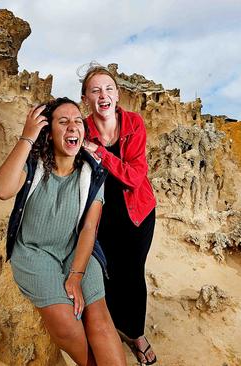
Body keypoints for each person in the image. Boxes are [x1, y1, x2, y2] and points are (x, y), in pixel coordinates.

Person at [0, 97, 126, 366]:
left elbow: (89, 228)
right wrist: (27, 137)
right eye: (62, 122)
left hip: (75, 249)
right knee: (68, 325)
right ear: (49, 131)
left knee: (99, 321)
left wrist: (76, 275)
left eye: (77, 121)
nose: (72, 127)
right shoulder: (33, 165)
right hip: (34, 251)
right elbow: (2, 190)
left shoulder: (93, 172)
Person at [80, 65, 158, 365]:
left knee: (133, 274)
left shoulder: (134, 123)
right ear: (86, 97)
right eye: (96, 90)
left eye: (109, 89)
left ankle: (136, 334)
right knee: (107, 273)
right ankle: (112, 329)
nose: (104, 95)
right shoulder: (82, 128)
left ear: (118, 94)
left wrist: (100, 153)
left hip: (138, 212)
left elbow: (135, 177)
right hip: (101, 216)